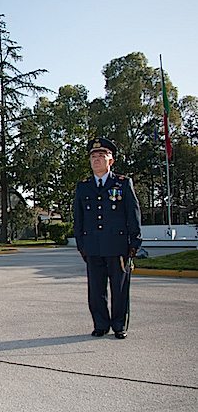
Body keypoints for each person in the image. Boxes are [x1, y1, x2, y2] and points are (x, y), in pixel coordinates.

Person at [73, 137, 142, 339]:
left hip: (118, 245)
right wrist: (81, 244)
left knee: (119, 289)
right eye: (93, 157)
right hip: (93, 246)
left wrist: (135, 241)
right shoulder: (83, 187)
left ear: (111, 160)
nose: (96, 160)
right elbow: (79, 218)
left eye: (101, 156)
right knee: (96, 290)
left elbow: (133, 214)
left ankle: (119, 325)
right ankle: (101, 324)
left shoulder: (122, 183)